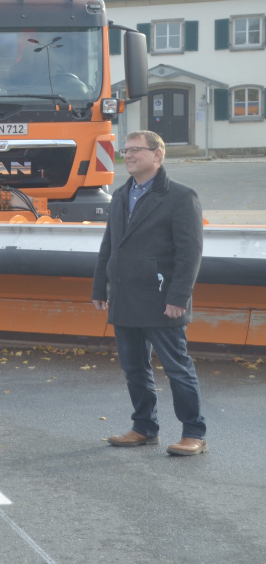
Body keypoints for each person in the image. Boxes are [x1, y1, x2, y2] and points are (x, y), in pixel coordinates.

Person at [93, 130, 206, 456]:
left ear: (157, 155)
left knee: (177, 368)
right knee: (134, 369)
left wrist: (178, 297)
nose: (127, 155)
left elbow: (190, 252)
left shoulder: (181, 197)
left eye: (135, 150)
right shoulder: (119, 195)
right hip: (125, 298)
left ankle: (194, 433)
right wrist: (100, 286)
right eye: (125, 150)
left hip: (161, 301)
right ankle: (144, 427)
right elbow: (109, 247)